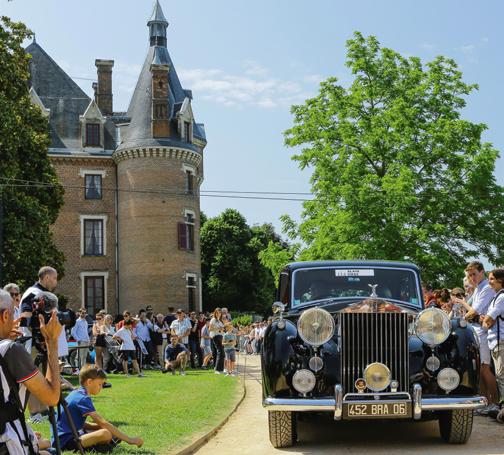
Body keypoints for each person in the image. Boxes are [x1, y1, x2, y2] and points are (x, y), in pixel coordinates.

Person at [0, 288, 62, 454]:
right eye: (12, 315)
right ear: (5, 316)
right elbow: (52, 397)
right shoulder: (10, 351)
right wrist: (52, 343)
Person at [54, 365, 143, 451]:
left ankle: (109, 441)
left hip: (63, 437)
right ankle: (101, 445)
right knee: (105, 433)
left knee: (106, 429)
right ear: (89, 382)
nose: (101, 388)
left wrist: (99, 427)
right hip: (64, 441)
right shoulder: (83, 398)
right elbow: (103, 423)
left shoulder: (77, 393)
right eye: (100, 384)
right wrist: (130, 440)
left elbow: (74, 422)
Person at [460, 261, 499, 415]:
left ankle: (495, 403)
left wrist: (463, 319)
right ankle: (485, 402)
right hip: (477, 331)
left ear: (482, 272)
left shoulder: (487, 288)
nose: (472, 278)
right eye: (470, 275)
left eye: (474, 274)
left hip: (484, 333)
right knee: (480, 370)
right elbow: (471, 311)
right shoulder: (478, 288)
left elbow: (473, 311)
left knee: (485, 369)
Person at [482, 268, 504, 422]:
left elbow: (487, 320)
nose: (489, 282)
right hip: (496, 342)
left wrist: (485, 321)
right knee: (499, 376)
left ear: (500, 280)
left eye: (491, 279)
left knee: (501, 376)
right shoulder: (497, 297)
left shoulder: (501, 297)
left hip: (500, 341)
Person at [209, 308, 225, 374]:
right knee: (220, 352)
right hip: (215, 336)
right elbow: (210, 329)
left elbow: (222, 330)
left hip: (221, 336)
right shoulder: (213, 320)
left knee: (222, 353)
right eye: (217, 313)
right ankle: (217, 369)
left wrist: (222, 329)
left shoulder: (220, 321)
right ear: (215, 313)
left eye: (220, 313)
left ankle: (221, 369)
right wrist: (218, 328)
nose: (218, 314)